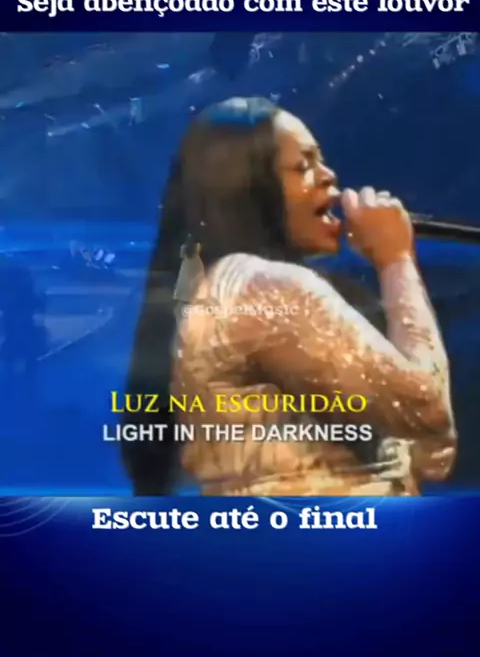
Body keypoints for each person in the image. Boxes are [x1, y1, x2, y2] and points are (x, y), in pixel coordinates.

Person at [123, 97, 456, 496]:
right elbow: (428, 413)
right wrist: (396, 260)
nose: (330, 176)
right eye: (303, 166)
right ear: (249, 189)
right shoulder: (260, 288)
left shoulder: (232, 291)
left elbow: (431, 454)